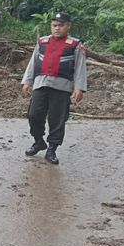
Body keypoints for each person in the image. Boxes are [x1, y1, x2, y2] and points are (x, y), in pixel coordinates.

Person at [21, 12, 87, 164]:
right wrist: (27, 81)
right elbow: (33, 62)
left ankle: (52, 149)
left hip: (62, 87)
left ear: (68, 26)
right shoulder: (42, 41)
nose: (57, 28)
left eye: (60, 25)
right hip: (41, 84)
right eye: (54, 25)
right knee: (33, 114)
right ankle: (38, 141)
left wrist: (79, 88)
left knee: (57, 119)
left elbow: (80, 67)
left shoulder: (75, 44)